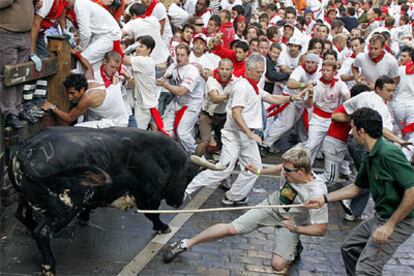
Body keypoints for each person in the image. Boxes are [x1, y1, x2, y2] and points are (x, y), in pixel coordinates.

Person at [163, 147, 328, 275]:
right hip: (272, 206)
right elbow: (280, 167)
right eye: (284, 169)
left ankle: (294, 246)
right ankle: (185, 244)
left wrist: (296, 229)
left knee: (277, 265)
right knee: (231, 228)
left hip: (291, 223)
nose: (284, 173)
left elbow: (321, 229)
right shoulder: (290, 169)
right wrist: (259, 171)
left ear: (301, 172)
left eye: (288, 171)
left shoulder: (316, 193)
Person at [183, 54, 306, 204]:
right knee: (223, 170)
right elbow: (236, 113)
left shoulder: (253, 86)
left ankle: (234, 196)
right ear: (248, 70)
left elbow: (271, 98)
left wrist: (292, 98)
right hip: (235, 135)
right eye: (258, 72)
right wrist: (250, 133)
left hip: (247, 135)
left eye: (262, 72)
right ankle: (186, 189)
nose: (261, 75)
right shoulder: (242, 87)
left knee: (255, 168)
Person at [306, 107, 414, 276]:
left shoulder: (388, 153)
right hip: (380, 217)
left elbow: (412, 191)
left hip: (400, 220)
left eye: (352, 128)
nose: (351, 132)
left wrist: (390, 226)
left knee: (367, 269)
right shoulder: (370, 155)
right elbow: (357, 188)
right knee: (350, 249)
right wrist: (323, 198)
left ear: (361, 131)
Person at [41, 54, 128, 128]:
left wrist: (52, 107)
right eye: (68, 93)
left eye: (72, 93)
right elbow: (89, 68)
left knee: (77, 128)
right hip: (116, 114)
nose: (70, 97)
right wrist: (77, 54)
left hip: (118, 122)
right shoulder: (89, 80)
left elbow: (69, 118)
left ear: (82, 90)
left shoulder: (88, 97)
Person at [0, 0, 42, 129]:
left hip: (25, 34)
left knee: (21, 75)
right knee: (7, 75)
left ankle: (17, 109)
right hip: (6, 32)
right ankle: (9, 113)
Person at [156, 43, 204, 153]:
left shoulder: (192, 71)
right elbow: (163, 78)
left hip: (192, 103)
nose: (178, 57)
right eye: (177, 54)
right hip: (178, 101)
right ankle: (175, 153)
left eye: (182, 55)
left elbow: (182, 91)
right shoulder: (174, 66)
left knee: (183, 133)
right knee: (165, 130)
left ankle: (197, 154)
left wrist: (166, 85)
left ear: (188, 56)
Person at [123, 36, 167, 134]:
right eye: (137, 46)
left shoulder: (144, 61)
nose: (138, 49)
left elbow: (121, 58)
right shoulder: (141, 59)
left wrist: (131, 46)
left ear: (148, 50)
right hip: (141, 101)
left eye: (141, 46)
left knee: (138, 134)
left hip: (145, 106)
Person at [66, 0, 123, 71]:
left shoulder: (80, 5)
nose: (64, 3)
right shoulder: (81, 4)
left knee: (83, 59)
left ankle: (78, 81)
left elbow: (86, 34)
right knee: (93, 64)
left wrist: (79, 48)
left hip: (109, 36)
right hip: (103, 35)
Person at [195, 58, 234, 157]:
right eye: (222, 68)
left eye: (227, 69)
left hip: (224, 116)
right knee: (204, 141)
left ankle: (224, 166)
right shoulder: (211, 81)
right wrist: (229, 95)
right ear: (218, 69)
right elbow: (215, 98)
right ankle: (193, 164)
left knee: (228, 142)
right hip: (207, 115)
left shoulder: (235, 82)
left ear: (232, 70)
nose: (224, 72)